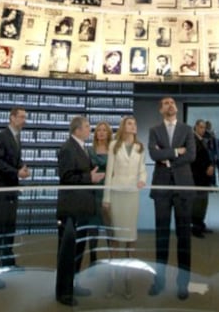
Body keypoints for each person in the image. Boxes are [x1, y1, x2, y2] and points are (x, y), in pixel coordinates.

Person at [148, 96, 195, 300]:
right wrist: (176, 151)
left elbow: (191, 155)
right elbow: (153, 155)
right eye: (166, 103)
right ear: (161, 110)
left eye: (172, 103)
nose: (170, 105)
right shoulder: (154, 131)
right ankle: (159, 281)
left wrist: (166, 159)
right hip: (162, 189)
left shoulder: (187, 129)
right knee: (161, 237)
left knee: (184, 238)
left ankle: (183, 284)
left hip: (183, 187)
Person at [55, 116, 105, 306]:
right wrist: (89, 178)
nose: (89, 129)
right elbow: (66, 177)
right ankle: (63, 293)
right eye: (86, 127)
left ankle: (72, 285)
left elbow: (81, 173)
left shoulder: (82, 147)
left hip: (81, 208)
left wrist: (92, 175)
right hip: (70, 209)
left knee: (77, 251)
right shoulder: (67, 148)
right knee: (67, 252)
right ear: (77, 130)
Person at [103, 116, 146, 298]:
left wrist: (142, 180)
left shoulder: (140, 147)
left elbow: (142, 169)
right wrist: (106, 198)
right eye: (130, 123)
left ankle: (128, 279)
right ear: (123, 127)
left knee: (131, 237)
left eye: (135, 124)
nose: (133, 126)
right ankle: (112, 279)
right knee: (116, 238)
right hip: (117, 194)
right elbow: (109, 172)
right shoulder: (114, 145)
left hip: (132, 195)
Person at [0, 108, 30, 268]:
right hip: (2, 190)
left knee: (10, 226)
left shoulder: (17, 137)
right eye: (21, 117)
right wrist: (16, 172)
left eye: (25, 117)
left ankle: (7, 262)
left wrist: (22, 168)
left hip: (12, 189)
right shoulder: (2, 136)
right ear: (12, 118)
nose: (24, 120)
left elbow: (13, 160)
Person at [88, 122, 112, 265]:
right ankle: (93, 257)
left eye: (104, 130)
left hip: (108, 190)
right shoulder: (89, 151)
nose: (101, 133)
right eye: (99, 130)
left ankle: (111, 257)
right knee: (93, 226)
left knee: (109, 225)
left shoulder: (113, 150)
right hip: (94, 191)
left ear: (109, 133)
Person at [191, 119, 214, 238]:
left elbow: (208, 156)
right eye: (200, 127)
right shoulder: (192, 140)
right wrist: (206, 168)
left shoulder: (203, 140)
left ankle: (200, 224)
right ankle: (196, 228)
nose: (203, 129)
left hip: (204, 178)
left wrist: (210, 166)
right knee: (198, 204)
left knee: (203, 202)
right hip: (197, 177)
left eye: (204, 127)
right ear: (195, 127)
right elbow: (194, 160)